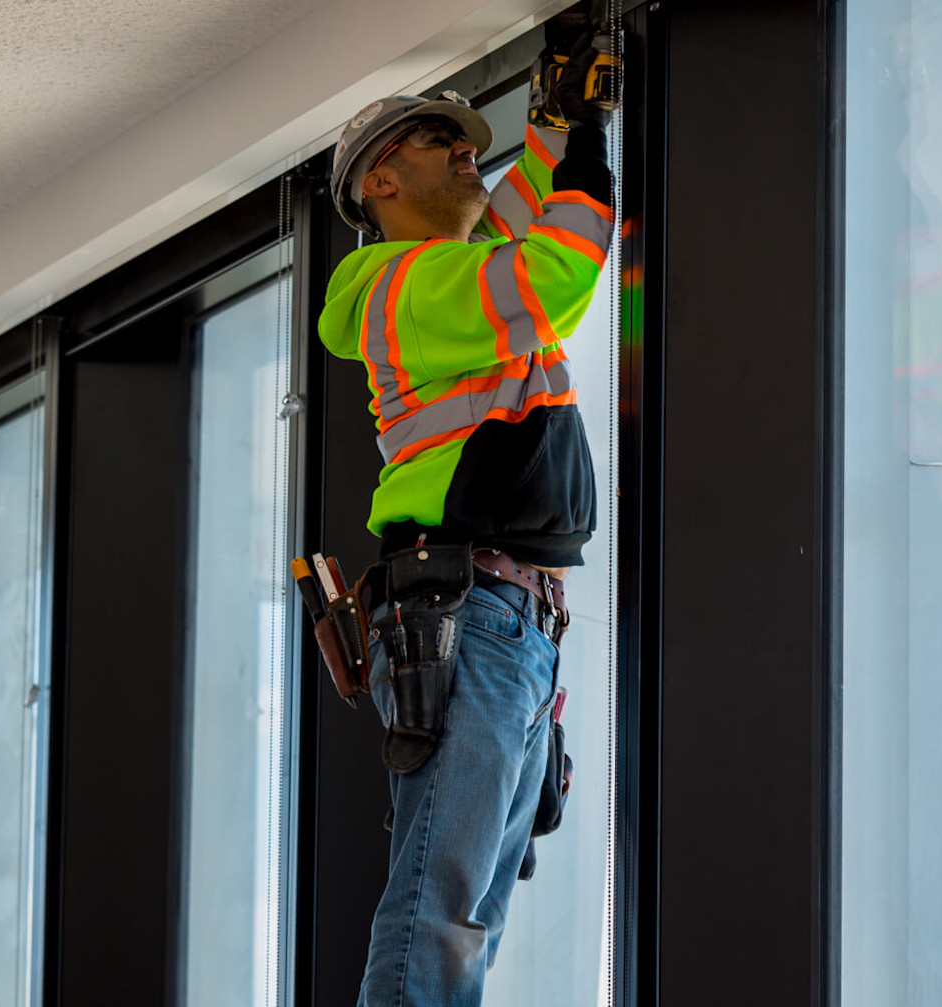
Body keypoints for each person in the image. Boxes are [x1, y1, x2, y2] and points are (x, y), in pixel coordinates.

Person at [316, 23, 613, 1005]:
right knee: (440, 899)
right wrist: (583, 145)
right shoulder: (388, 285)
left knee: (468, 907)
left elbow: (516, 216)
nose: (462, 147)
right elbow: (552, 271)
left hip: (510, 621)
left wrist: (557, 114)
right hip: (472, 611)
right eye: (433, 140)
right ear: (379, 184)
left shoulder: (448, 278)